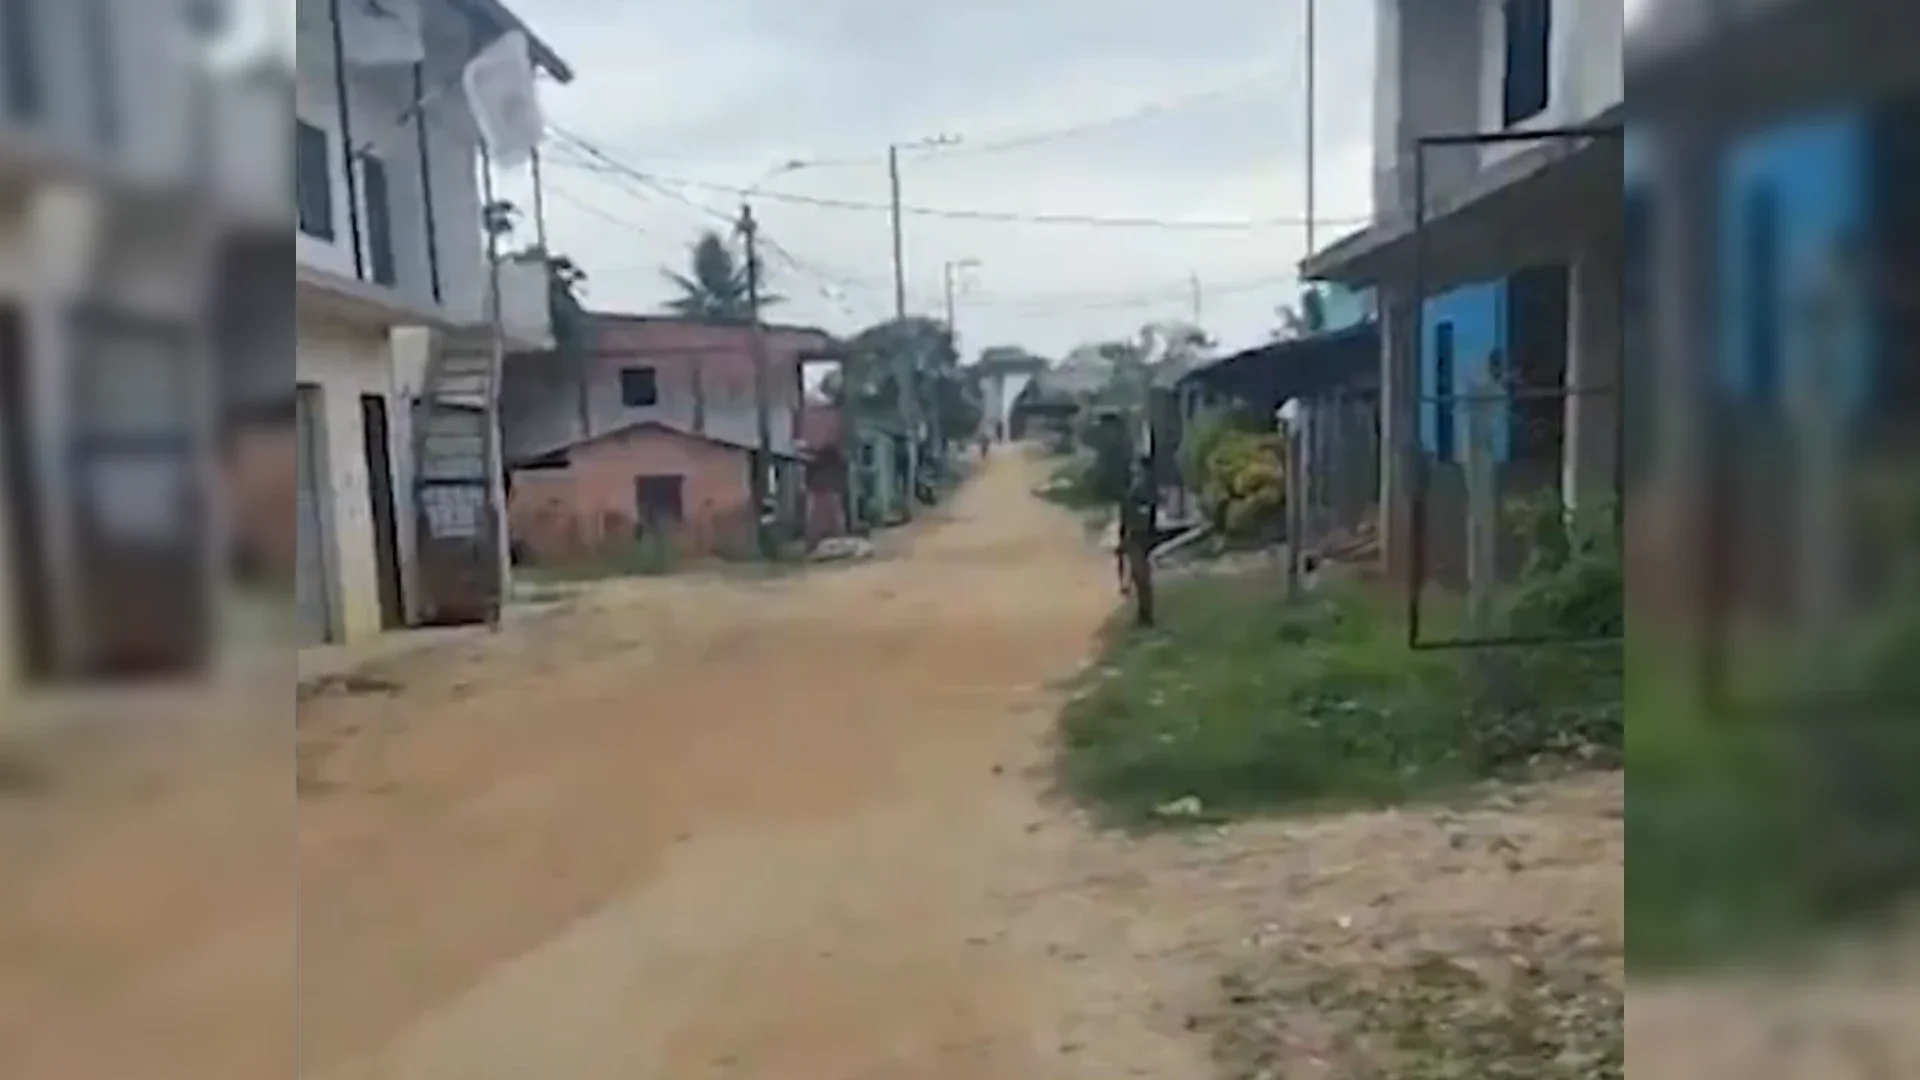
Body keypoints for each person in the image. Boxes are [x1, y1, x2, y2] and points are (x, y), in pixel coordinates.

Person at [1118, 452, 1158, 627]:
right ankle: (1143, 613)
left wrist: (1128, 534)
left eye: (1136, 466)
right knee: (1138, 576)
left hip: (1137, 537)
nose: (1133, 468)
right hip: (1137, 535)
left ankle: (1145, 616)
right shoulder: (1144, 487)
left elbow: (1139, 515)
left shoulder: (1141, 489)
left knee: (1141, 576)